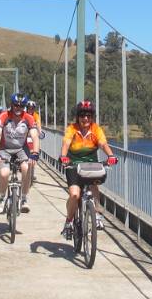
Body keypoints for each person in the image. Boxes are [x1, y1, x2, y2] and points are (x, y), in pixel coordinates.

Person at [58, 100, 117, 239]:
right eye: (83, 115)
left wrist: (111, 155)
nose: (86, 118)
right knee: (74, 195)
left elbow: (103, 144)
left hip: (91, 165)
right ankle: (69, 221)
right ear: (78, 116)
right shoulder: (72, 129)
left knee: (94, 185)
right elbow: (66, 143)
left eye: (89, 116)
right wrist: (63, 157)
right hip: (73, 165)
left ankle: (96, 214)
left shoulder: (96, 129)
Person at [0, 93, 40, 215]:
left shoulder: (28, 118)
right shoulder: (4, 116)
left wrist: (35, 152)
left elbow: (35, 136)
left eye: (21, 106)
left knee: (26, 167)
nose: (18, 108)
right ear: (11, 105)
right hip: (5, 148)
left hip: (21, 149)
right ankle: (2, 198)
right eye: (16, 105)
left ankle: (23, 198)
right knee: (4, 173)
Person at [25, 101, 44, 182]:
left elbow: (38, 125)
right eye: (29, 108)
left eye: (32, 108)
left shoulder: (36, 115)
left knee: (33, 154)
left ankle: (32, 174)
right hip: (24, 137)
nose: (30, 109)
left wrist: (40, 132)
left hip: (32, 138)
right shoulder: (23, 115)